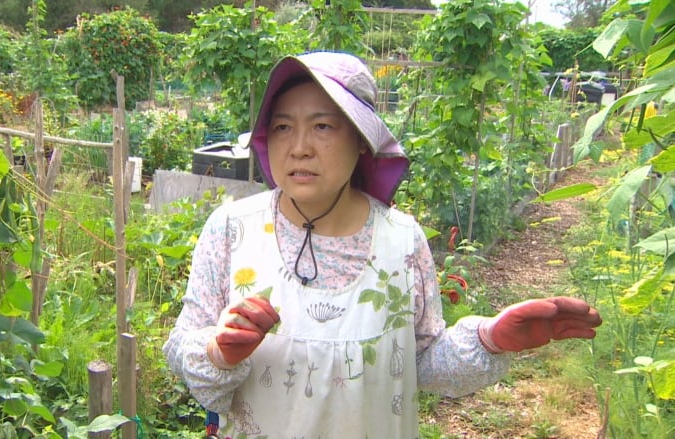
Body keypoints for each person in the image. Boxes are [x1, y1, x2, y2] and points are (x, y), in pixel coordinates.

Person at [163, 51, 602, 438]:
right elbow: (185, 350)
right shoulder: (232, 229)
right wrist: (218, 351)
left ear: (361, 140)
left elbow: (420, 360)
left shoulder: (401, 239)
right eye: (282, 126)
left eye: (322, 126)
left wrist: (490, 340)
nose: (299, 147)